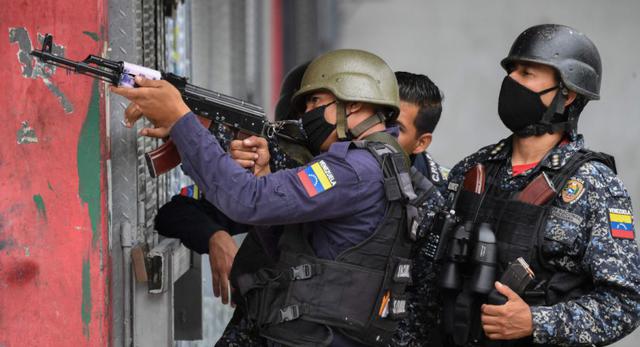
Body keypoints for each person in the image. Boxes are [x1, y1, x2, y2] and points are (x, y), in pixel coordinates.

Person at [113, 49, 439, 346]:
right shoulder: (380, 162)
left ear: (352, 103)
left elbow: (245, 200)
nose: (307, 114)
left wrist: (180, 119)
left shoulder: (353, 168)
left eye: (315, 103)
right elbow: (298, 252)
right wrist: (266, 177)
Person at [439, 24, 640, 346]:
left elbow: (625, 304)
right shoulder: (473, 170)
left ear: (567, 94)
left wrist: (537, 321)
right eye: (512, 71)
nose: (511, 81)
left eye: (527, 73)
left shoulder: (595, 186)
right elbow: (427, 279)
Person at [394, 71, 448, 195]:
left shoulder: (434, 198)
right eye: (378, 116)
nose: (380, 129)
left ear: (421, 143)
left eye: (396, 128)